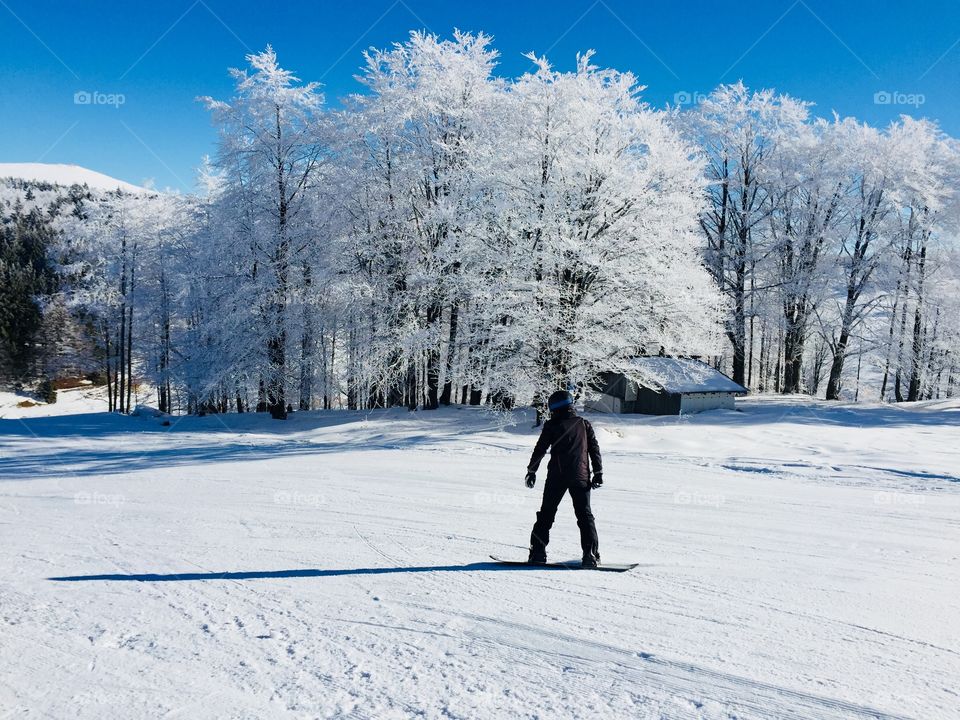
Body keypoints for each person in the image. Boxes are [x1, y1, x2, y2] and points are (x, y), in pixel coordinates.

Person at [524, 390, 603, 567]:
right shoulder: (584, 424)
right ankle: (590, 555)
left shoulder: (551, 425)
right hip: (580, 476)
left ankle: (538, 553)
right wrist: (598, 472)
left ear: (553, 407)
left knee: (546, 514)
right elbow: (594, 449)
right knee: (585, 516)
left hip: (556, 476)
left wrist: (532, 471)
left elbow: (540, 449)